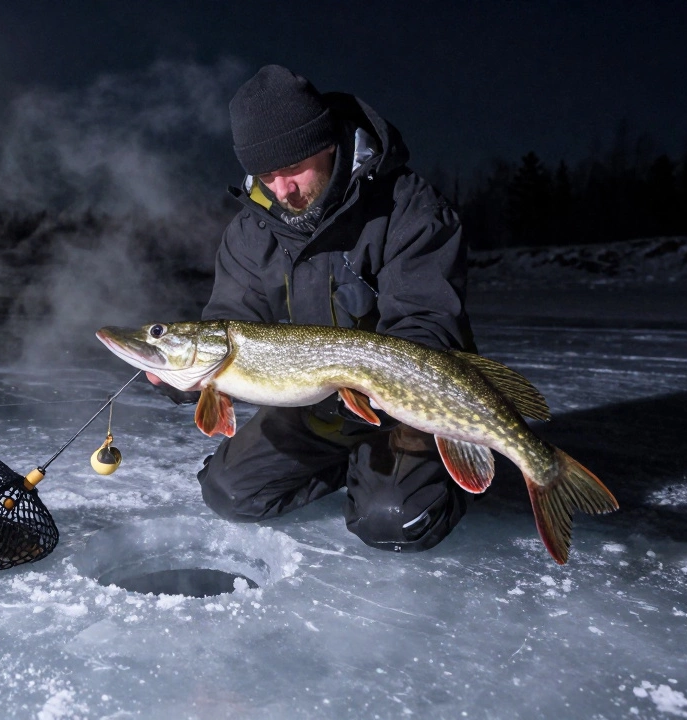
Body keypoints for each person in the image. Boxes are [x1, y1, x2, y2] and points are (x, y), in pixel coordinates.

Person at [151, 65, 476, 552]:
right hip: (314, 407)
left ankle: (418, 474)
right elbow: (230, 325)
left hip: (402, 405)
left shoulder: (409, 207)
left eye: (293, 168)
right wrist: (183, 377)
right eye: (266, 175)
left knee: (392, 520)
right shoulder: (249, 232)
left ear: (328, 143)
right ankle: (349, 468)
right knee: (229, 493)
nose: (281, 190)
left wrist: (381, 383)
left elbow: (428, 321)